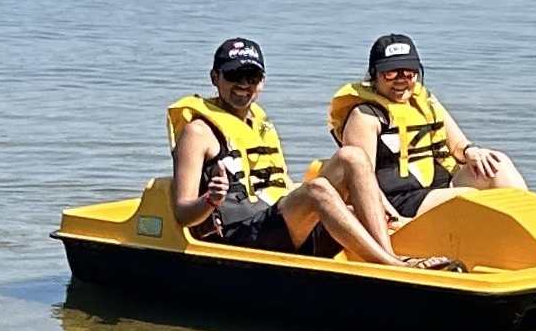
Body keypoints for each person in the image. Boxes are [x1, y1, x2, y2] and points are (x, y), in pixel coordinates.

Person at [168, 38, 411, 266]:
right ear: (214, 77)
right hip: (239, 237)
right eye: (234, 75)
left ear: (262, 81)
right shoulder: (197, 132)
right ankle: (392, 266)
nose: (243, 85)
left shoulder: (258, 123)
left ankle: (388, 253)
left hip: (278, 227)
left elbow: (278, 186)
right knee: (318, 190)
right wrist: (209, 200)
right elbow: (182, 214)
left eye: (252, 77)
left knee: (353, 157)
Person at [328, 33, 527, 223]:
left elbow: (458, 145)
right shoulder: (365, 117)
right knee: (470, 198)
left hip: (439, 187)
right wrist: (386, 215)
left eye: (408, 72)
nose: (400, 80)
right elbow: (362, 181)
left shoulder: (423, 102)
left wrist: (473, 152)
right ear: (374, 75)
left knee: (497, 163)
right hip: (399, 199)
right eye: (390, 73)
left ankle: (535, 225)